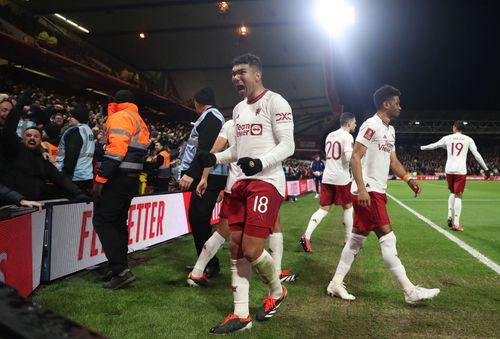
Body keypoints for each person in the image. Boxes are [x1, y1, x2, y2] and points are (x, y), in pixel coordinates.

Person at [197, 53, 294, 334]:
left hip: (267, 181)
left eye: (241, 72)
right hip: (241, 184)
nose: (236, 77)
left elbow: (288, 145)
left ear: (257, 74)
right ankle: (241, 314)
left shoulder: (276, 102)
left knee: (252, 249)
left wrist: (260, 163)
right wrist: (213, 160)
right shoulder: (238, 110)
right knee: (237, 248)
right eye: (233, 73)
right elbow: (237, 151)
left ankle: (276, 292)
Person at [327, 85, 440, 304]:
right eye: (396, 102)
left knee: (355, 241)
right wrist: (361, 189)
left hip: (377, 190)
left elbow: (393, 161)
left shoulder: (390, 130)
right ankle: (409, 291)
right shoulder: (371, 125)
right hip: (369, 191)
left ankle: (335, 283)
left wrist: (408, 179)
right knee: (388, 238)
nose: (400, 106)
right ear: (386, 104)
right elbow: (355, 157)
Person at [188, 120, 296, 288]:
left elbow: (215, 151)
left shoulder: (230, 124)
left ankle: (197, 271)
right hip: (257, 184)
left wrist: (204, 178)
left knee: (223, 232)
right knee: (274, 225)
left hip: (234, 186)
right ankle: (276, 272)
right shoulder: (262, 121)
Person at [92, 90, 150, 290]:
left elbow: (116, 150)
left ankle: (120, 271)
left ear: (116, 101)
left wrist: (101, 179)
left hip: (117, 179)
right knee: (117, 223)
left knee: (103, 221)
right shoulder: (139, 120)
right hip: (131, 180)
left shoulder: (120, 116)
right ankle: (119, 266)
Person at [179, 87, 227, 278]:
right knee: (198, 219)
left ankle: (209, 263)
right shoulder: (211, 117)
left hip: (209, 175)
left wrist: (192, 173)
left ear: (198, 103)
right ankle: (205, 261)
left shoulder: (211, 117)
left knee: (199, 218)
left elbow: (206, 148)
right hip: (209, 175)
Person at [300, 112, 357, 252]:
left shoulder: (330, 136)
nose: (355, 125)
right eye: (354, 122)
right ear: (349, 123)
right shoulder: (348, 136)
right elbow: (350, 158)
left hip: (327, 177)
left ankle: (306, 236)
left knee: (323, 209)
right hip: (341, 178)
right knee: (348, 207)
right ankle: (348, 240)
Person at [420, 121, 489, 231]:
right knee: (459, 195)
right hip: (460, 170)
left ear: (454, 128)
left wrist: (421, 147)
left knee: (452, 192)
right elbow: (476, 155)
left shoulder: (448, 138)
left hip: (449, 169)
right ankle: (456, 223)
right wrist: (485, 169)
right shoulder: (468, 139)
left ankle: (449, 215)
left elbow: (434, 145)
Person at [55, 105, 95, 193]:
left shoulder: (75, 131)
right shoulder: (88, 130)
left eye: (71, 117)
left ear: (78, 118)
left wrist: (64, 175)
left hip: (74, 177)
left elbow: (71, 155)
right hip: (86, 175)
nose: (69, 119)